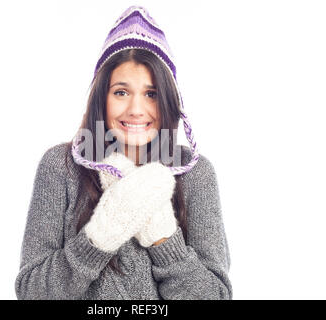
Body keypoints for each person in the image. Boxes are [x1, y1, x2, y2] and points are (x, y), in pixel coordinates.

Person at [14, 5, 232, 300]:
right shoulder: (60, 166)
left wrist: (163, 237)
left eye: (151, 94)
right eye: (121, 92)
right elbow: (32, 292)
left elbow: (215, 296)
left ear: (168, 100)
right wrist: (100, 235)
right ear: (102, 97)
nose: (136, 110)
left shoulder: (195, 173)